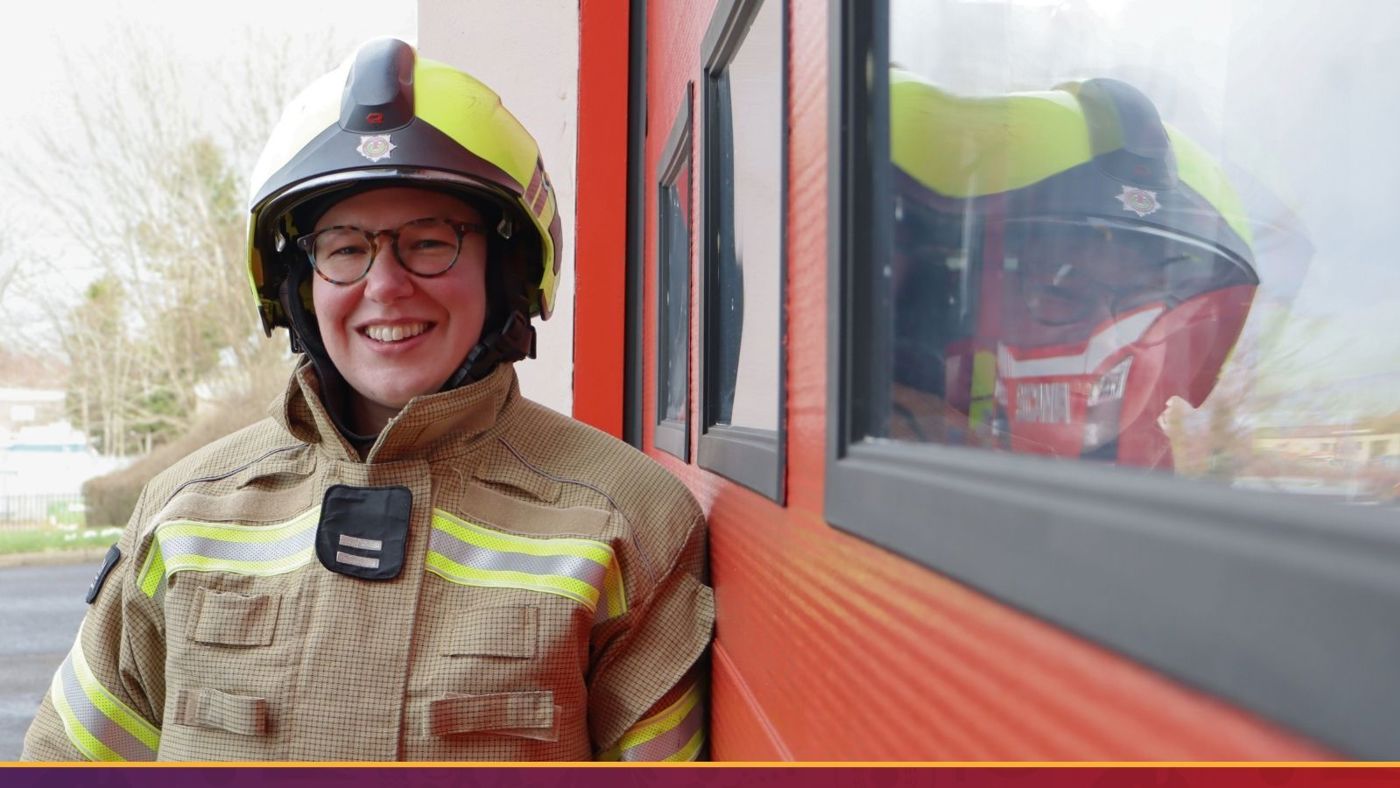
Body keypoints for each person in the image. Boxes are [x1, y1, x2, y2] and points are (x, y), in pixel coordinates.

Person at [22, 38, 714, 762]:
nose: (384, 286)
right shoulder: (183, 513)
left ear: (506, 272)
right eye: (346, 248)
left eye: (428, 242)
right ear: (300, 285)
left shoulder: (628, 523)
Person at [887, 70, 1260, 469]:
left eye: (1140, 304)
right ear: (964, 307)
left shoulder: (1159, 485)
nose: (1107, 339)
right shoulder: (891, 446)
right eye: (1061, 288)